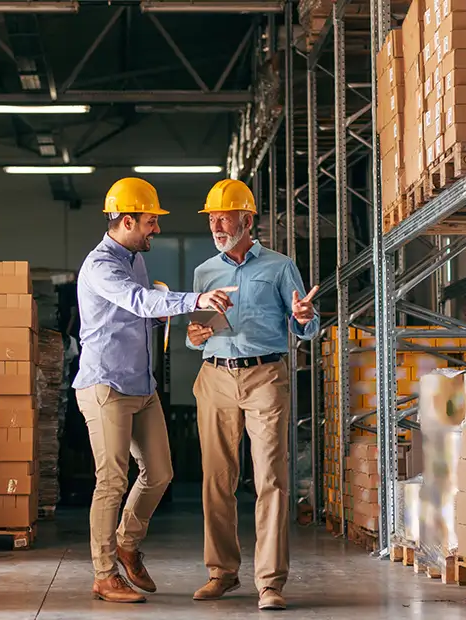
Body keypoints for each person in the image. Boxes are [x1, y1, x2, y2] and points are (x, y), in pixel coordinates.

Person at [73, 177, 238, 604]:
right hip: (105, 384)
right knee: (111, 480)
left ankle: (127, 543)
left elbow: (142, 309)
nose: (156, 229)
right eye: (150, 222)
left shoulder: (134, 257)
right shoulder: (102, 265)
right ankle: (104, 573)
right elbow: (140, 302)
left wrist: (164, 313)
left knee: (159, 473)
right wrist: (196, 300)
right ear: (127, 220)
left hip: (140, 385)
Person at [186, 179, 319, 611]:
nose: (217, 225)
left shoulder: (280, 267)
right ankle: (221, 573)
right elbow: (195, 334)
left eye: (224, 217)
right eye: (212, 218)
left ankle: (270, 582)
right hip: (215, 376)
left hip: (265, 377)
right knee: (217, 479)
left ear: (248, 219)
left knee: (271, 480)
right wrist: (194, 333)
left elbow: (305, 325)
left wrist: (304, 316)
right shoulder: (205, 272)